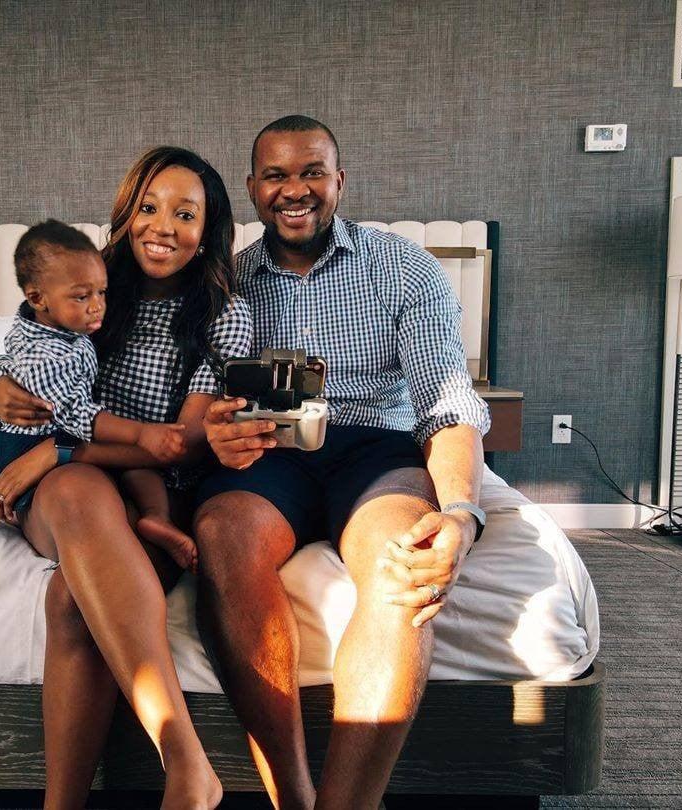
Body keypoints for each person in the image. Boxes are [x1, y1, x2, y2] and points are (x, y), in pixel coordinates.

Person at [193, 115, 492, 810]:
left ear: (338, 181)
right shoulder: (223, 281)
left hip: (373, 448)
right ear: (252, 188)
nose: (294, 190)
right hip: (270, 450)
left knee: (405, 553)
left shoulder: (403, 266)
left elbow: (446, 401)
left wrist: (462, 515)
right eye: (275, 175)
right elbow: (191, 398)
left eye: (311, 172)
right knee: (222, 534)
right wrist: (214, 429)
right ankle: (293, 797)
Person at [0, 146, 252, 810]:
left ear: (208, 228)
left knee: (71, 601)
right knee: (73, 492)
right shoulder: (88, 283)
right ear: (127, 214)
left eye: (184, 214)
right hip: (77, 480)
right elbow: (22, 358)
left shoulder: (224, 314)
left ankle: (86, 797)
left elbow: (185, 444)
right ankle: (188, 766)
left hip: (150, 475)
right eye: (149, 208)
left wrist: (59, 454)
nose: (163, 226)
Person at [0, 218, 196, 570]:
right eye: (82, 296)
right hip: (27, 443)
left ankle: (156, 518)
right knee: (129, 454)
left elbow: (1, 359)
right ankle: (18, 508)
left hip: (63, 432)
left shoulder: (63, 324)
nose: (97, 305)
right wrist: (142, 432)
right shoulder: (47, 357)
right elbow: (79, 416)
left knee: (136, 466)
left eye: (101, 292)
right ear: (38, 298)